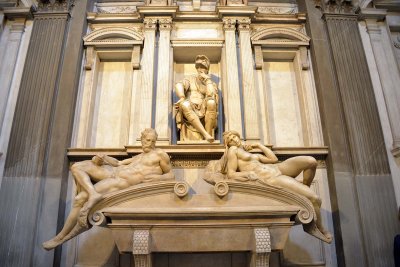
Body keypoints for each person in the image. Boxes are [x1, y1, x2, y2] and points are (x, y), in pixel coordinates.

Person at [42, 128, 175, 250]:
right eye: (147, 140)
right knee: (77, 167)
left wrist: (158, 179)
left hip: (120, 182)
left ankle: (61, 237)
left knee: (80, 198)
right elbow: (118, 163)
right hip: (113, 172)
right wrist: (103, 158)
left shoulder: (160, 154)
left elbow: (171, 175)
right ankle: (92, 193)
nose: (150, 143)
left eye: (153, 141)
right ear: (142, 139)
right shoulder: (139, 156)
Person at [220, 130, 332, 243]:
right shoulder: (232, 151)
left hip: (278, 168)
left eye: (234, 136)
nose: (234, 140)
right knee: (315, 199)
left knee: (311, 161)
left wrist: (259, 145)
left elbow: (273, 159)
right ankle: (318, 228)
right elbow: (231, 174)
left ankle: (304, 190)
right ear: (228, 144)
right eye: (230, 140)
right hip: (272, 178)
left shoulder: (248, 153)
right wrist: (247, 174)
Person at [174, 55, 218, 142]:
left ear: (207, 69)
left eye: (203, 67)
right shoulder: (190, 79)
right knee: (185, 104)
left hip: (204, 107)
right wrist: (182, 97)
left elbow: (210, 94)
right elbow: (179, 85)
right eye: (198, 67)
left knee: (211, 102)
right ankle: (206, 135)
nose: (200, 69)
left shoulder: (211, 83)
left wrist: (207, 80)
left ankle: (208, 135)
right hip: (190, 106)